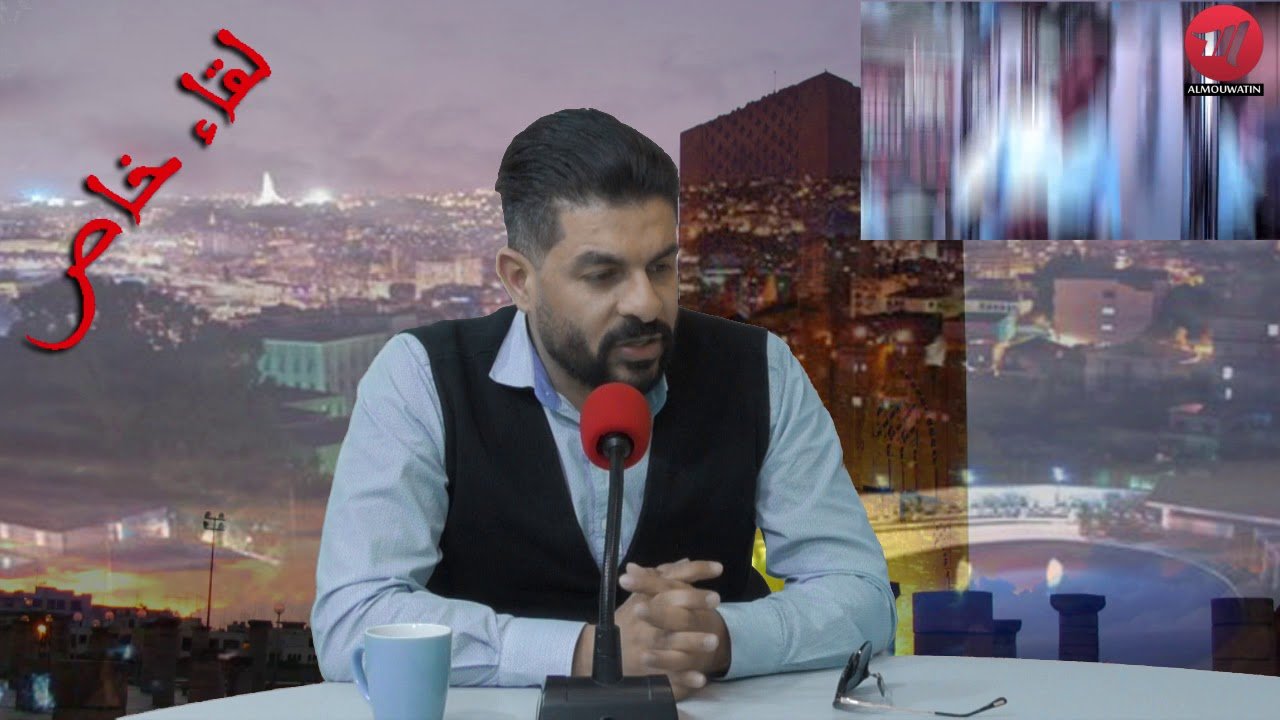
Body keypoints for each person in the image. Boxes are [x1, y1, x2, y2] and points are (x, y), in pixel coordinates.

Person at [310, 108, 896, 700]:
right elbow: (353, 620)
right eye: (603, 275)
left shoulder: (758, 368)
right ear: (520, 280)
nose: (646, 303)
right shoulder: (422, 377)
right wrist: (591, 651)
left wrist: (717, 638)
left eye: (661, 267)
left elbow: (864, 596)